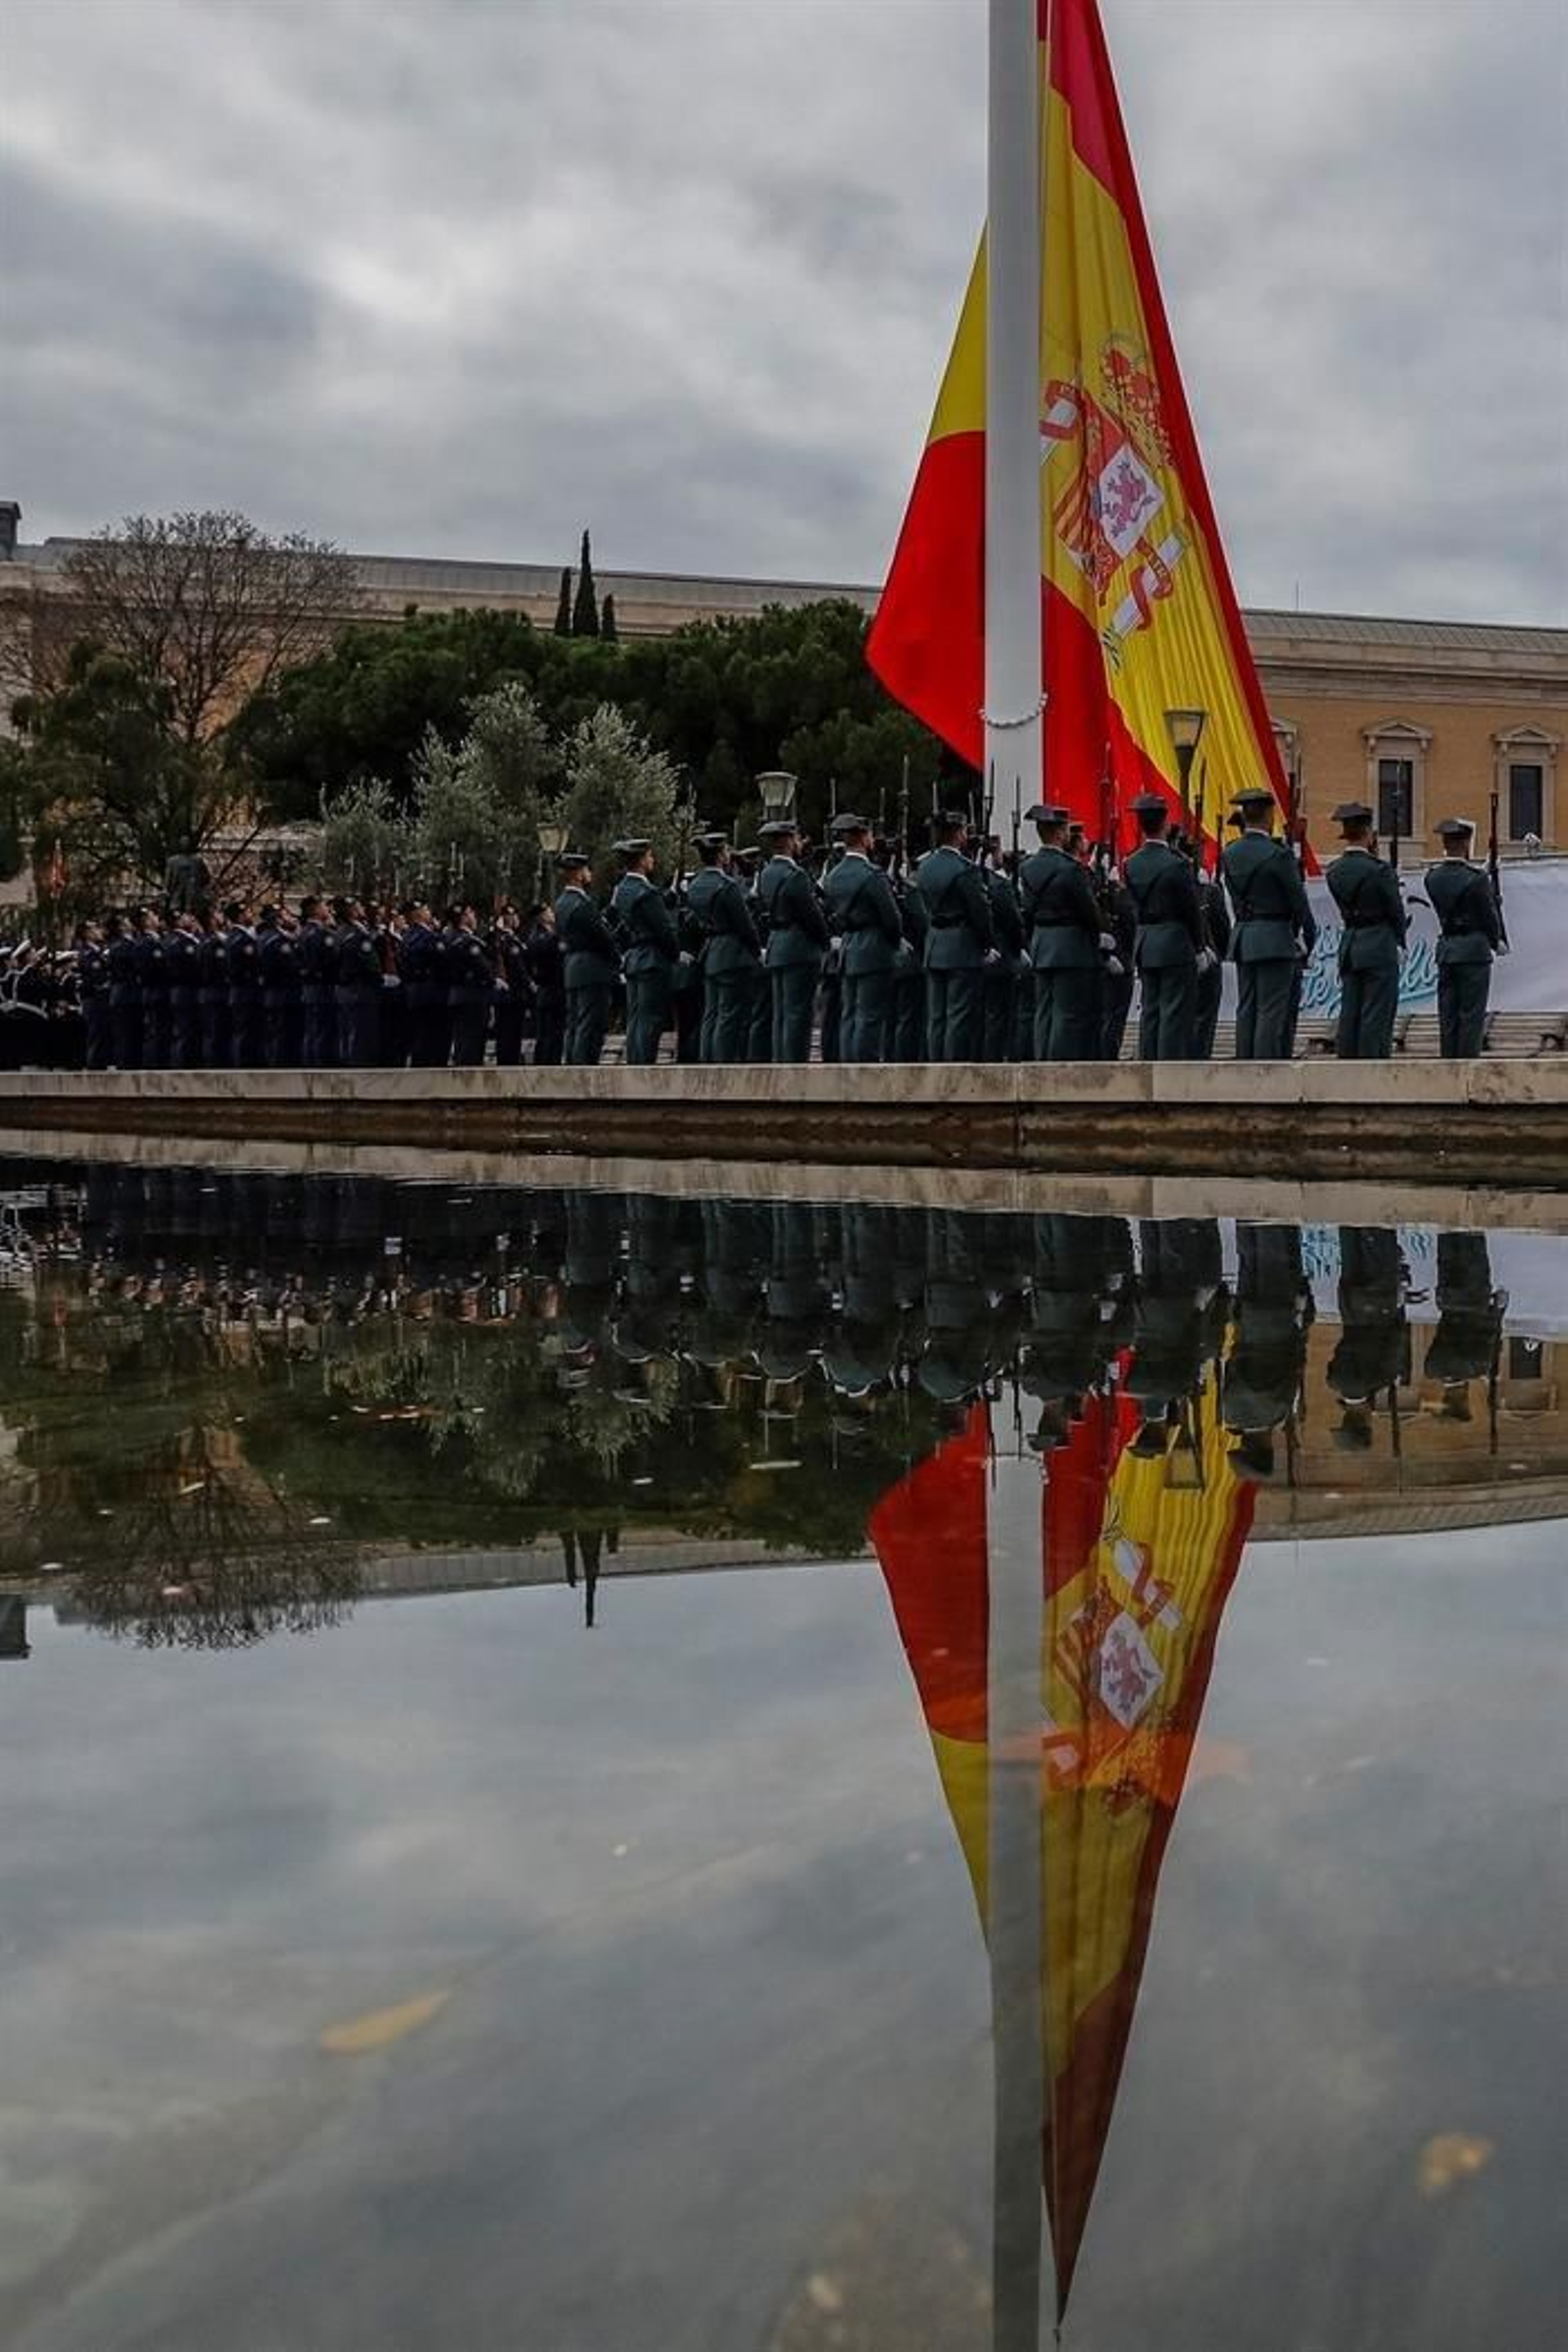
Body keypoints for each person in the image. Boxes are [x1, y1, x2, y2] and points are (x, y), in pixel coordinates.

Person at [1220, 783, 1316, 1059]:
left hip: (1244, 937)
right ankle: (1265, 1073)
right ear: (1269, 816)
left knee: (1246, 1007)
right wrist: (1304, 937)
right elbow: (1297, 902)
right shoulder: (1278, 854)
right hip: (1275, 937)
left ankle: (1244, 1066)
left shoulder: (1230, 853)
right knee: (1270, 1010)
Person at [1019, 802, 1104, 1059]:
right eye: (1066, 828)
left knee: (1043, 1011)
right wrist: (1100, 934)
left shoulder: (1028, 867)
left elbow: (1028, 909)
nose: (1069, 834)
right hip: (1069, 946)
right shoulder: (1070, 868)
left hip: (1042, 944)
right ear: (1058, 833)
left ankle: (1041, 1062)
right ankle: (1057, 1068)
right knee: (1066, 1013)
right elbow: (1088, 911)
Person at [1326, 801, 1406, 1060]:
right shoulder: (1379, 870)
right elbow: (1394, 910)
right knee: (1377, 1013)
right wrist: (1401, 941)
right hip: (1378, 943)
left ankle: (1346, 1062)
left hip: (1350, 944)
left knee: (1350, 1011)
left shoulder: (1334, 870)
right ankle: (1372, 1067)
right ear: (1369, 833)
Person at [1124, 792, 1201, 1059]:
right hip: (1174, 941)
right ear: (1165, 823)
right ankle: (1168, 1068)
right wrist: (1200, 945)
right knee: (1173, 1010)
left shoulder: (1130, 864)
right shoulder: (1177, 864)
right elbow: (1190, 909)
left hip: (1146, 942)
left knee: (1150, 1009)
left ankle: (1146, 1064)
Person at [914, 808, 995, 1062]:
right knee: (958, 1015)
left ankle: (937, 1066)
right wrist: (987, 944)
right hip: (960, 944)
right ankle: (952, 1069)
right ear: (958, 834)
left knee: (936, 1017)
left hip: (935, 942)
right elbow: (979, 911)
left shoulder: (925, 866)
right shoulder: (964, 869)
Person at [822, 812, 903, 1062]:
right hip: (873, 947)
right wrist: (894, 943)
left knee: (849, 1015)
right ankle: (865, 1071)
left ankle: (848, 1068)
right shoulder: (872, 875)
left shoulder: (834, 876)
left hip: (848, 947)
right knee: (869, 1016)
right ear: (864, 837)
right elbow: (892, 919)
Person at [1425, 816, 1505, 1058]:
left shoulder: (1432, 877)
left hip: (1447, 950)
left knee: (1447, 1014)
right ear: (1466, 844)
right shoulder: (1476, 878)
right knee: (1471, 1014)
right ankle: (1467, 1066)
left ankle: (1447, 1064)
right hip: (1473, 950)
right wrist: (1497, 939)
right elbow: (1488, 915)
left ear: (1445, 844)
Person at [686, 830, 763, 1064]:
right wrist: (756, 949)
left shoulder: (696, 884)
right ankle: (722, 1065)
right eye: (726, 851)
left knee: (711, 1013)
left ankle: (706, 1060)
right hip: (731, 951)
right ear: (720, 856)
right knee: (728, 1014)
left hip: (710, 951)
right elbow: (744, 924)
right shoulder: (726, 886)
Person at [757, 817, 830, 1063]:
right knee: (797, 1014)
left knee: (781, 1014)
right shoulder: (795, 875)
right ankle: (794, 1068)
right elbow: (811, 915)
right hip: (798, 948)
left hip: (777, 945)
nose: (800, 843)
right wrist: (825, 942)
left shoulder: (766, 873)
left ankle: (780, 1063)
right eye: (797, 838)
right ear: (788, 841)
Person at [611, 839, 680, 1066]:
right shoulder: (646, 892)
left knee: (636, 1018)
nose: (653, 860)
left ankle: (634, 1065)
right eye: (649, 856)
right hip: (652, 958)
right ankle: (644, 1067)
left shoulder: (622, 890)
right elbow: (663, 929)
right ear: (641, 861)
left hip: (634, 957)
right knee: (651, 1019)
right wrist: (675, 954)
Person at [555, 852, 618, 1067]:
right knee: (590, 1024)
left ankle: (573, 1065)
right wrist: (616, 959)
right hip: (591, 967)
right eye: (586, 870)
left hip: (573, 966)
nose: (589, 874)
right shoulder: (581, 903)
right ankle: (584, 1069)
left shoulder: (562, 902)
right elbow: (601, 937)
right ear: (578, 874)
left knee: (575, 1023)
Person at [446, 903, 494, 1066]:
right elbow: (484, 968)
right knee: (471, 1046)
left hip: (460, 995)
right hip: (472, 996)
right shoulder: (467, 941)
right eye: (471, 914)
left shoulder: (451, 937)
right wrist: (494, 980)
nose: (474, 917)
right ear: (464, 918)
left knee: (465, 1043)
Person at [524, 901, 566, 1066]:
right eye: (549, 912)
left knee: (546, 1035)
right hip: (553, 989)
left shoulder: (536, 936)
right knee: (551, 1037)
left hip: (545, 991)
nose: (552, 914)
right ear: (541, 917)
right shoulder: (547, 938)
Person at [298, 895, 337, 1069]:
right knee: (323, 1030)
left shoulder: (303, 931)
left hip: (308, 988)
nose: (327, 910)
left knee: (311, 1031)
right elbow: (329, 961)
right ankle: (321, 1068)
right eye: (323, 906)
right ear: (314, 910)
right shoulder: (322, 933)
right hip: (323, 987)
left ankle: (310, 1065)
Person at [223, 902, 264, 1067]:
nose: (251, 915)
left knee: (243, 1031)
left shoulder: (231, 937)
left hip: (238, 991)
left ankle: (243, 1062)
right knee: (245, 1031)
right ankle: (244, 1064)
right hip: (245, 991)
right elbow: (251, 965)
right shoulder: (242, 939)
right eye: (247, 912)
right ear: (240, 916)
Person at [490, 905, 530, 1066]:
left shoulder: (516, 938)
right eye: (511, 915)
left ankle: (511, 1063)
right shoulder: (501, 939)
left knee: (514, 1035)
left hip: (517, 995)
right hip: (508, 995)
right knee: (507, 1036)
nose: (515, 918)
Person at [164, 908, 202, 1070]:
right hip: (185, 990)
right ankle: (182, 1066)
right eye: (186, 917)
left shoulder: (173, 940)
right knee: (185, 1032)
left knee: (186, 1031)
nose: (191, 919)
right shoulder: (181, 942)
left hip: (180, 991)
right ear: (178, 921)